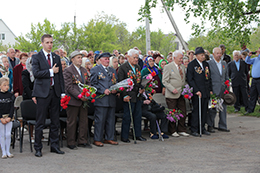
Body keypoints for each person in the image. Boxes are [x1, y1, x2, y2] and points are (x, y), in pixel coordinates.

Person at [32, 34, 65, 157]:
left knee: (55, 121)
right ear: (42, 43)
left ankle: (54, 146)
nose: (50, 45)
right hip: (42, 93)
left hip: (55, 92)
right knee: (40, 121)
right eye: (47, 42)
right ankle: (38, 148)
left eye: (51, 42)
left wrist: (62, 92)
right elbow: (36, 73)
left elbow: (60, 76)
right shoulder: (36, 57)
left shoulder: (56, 57)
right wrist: (51, 71)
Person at [63, 51, 92, 150]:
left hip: (84, 99)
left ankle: (82, 140)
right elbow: (69, 87)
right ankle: (71, 141)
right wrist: (79, 95)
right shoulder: (68, 70)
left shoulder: (84, 70)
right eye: (78, 57)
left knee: (84, 121)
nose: (80, 59)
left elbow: (88, 83)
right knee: (72, 121)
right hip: (73, 100)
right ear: (72, 59)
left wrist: (88, 92)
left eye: (81, 57)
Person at [118, 49, 146, 143]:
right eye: (134, 57)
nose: (136, 59)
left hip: (137, 95)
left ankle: (137, 134)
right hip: (128, 95)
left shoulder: (137, 67)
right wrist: (124, 95)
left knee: (138, 116)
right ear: (128, 57)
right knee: (127, 116)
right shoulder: (123, 68)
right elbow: (121, 83)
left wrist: (142, 87)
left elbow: (139, 80)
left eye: (137, 57)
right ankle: (124, 136)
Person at [90, 52, 119, 147]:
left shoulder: (112, 70)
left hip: (111, 98)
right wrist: (102, 90)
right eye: (105, 59)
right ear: (100, 60)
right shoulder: (95, 69)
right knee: (100, 120)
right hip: (101, 99)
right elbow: (93, 84)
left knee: (111, 120)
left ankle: (109, 138)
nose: (107, 61)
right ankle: (97, 139)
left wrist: (116, 89)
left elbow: (116, 82)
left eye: (108, 59)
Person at [162, 50, 189, 137]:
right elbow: (165, 81)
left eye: (182, 58)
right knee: (172, 113)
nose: (181, 60)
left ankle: (181, 129)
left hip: (181, 93)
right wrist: (172, 89)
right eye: (180, 58)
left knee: (183, 112)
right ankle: (172, 130)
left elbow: (183, 80)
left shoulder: (183, 67)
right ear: (174, 58)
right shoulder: (168, 67)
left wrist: (187, 90)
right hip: (171, 94)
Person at [187, 47, 213, 137]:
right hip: (197, 91)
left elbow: (208, 77)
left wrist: (210, 89)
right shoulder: (192, 65)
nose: (203, 56)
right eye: (201, 55)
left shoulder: (206, 64)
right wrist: (196, 90)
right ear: (197, 56)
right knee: (196, 111)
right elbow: (190, 79)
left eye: (204, 55)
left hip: (205, 90)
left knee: (204, 110)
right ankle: (194, 128)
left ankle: (202, 127)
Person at [208, 47, 230, 133]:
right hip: (214, 89)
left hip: (223, 89)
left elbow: (226, 76)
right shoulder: (209, 63)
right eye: (217, 53)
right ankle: (210, 125)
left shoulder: (224, 63)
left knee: (223, 108)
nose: (219, 55)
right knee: (212, 108)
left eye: (220, 53)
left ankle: (223, 125)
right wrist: (210, 89)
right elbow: (208, 77)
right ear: (213, 54)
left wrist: (227, 86)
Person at [0, 77, 14, 159]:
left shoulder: (10, 95)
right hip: (1, 117)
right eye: (4, 85)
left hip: (9, 116)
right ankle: (3, 151)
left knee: (8, 134)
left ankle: (8, 151)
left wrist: (10, 116)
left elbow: (12, 107)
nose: (6, 87)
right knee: (2, 134)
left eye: (7, 85)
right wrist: (1, 118)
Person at [244, 47, 260, 114]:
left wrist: (258, 54)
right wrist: (248, 56)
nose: (257, 52)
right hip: (254, 80)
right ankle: (250, 109)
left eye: (258, 51)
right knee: (253, 95)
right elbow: (247, 61)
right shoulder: (255, 59)